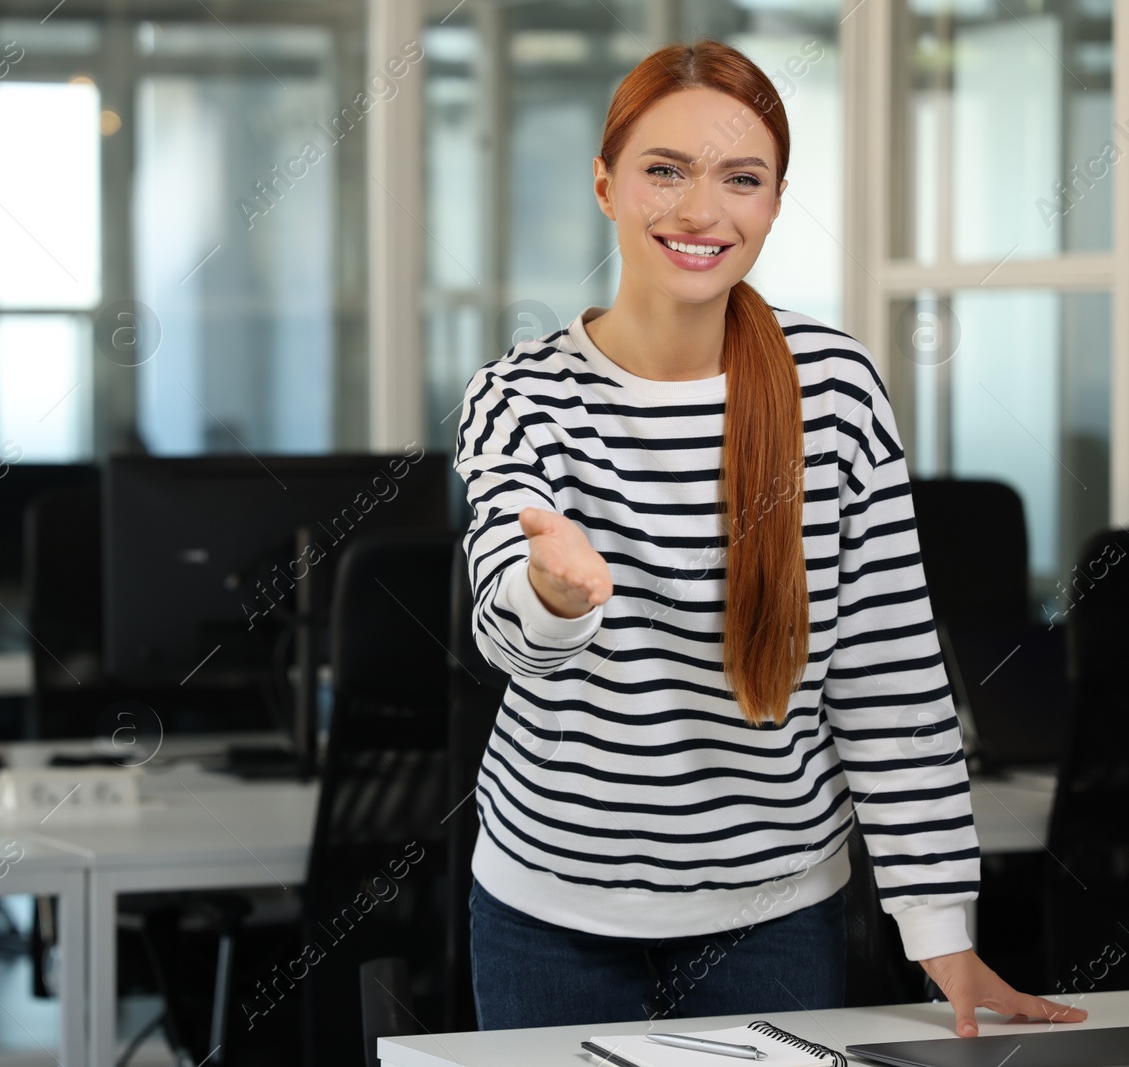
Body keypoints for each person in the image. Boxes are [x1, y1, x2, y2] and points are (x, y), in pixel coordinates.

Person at [454, 38, 1088, 1039]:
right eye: (664, 170)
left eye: (739, 179)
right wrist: (553, 596)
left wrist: (940, 933)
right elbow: (506, 635)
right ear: (604, 184)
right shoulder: (520, 394)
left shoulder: (832, 389)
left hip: (772, 912)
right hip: (549, 908)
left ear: (774, 201)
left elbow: (886, 676)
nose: (700, 210)